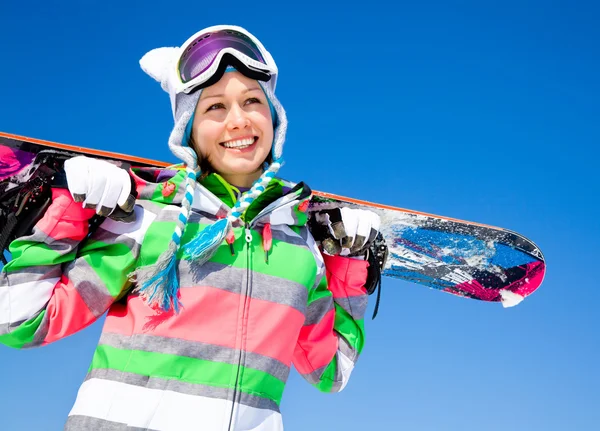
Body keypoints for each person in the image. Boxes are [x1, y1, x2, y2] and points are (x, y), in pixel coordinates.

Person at [0, 25, 382, 430]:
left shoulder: (299, 246)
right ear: (188, 131)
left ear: (274, 117)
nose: (238, 120)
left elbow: (332, 372)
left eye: (252, 100)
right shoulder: (151, 220)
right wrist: (70, 205)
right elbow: (20, 321)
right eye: (215, 107)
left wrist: (348, 261)